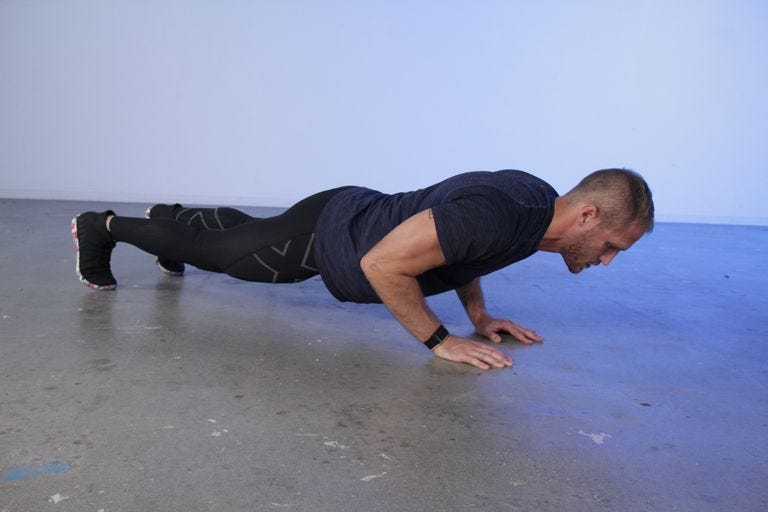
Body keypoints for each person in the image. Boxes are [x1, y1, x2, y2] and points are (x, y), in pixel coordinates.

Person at [71, 168, 654, 370]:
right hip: (333, 238)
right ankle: (103, 227)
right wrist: (439, 340)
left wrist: (479, 313)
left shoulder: (535, 214)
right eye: (610, 246)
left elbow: (458, 253)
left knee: (241, 233)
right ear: (587, 215)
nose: (605, 261)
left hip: (349, 211)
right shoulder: (505, 214)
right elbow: (382, 264)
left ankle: (171, 219)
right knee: (222, 257)